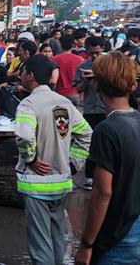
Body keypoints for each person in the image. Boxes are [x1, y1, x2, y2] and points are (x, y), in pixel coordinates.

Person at [15, 55, 92, 265]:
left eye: (23, 71)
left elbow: (23, 136)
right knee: (57, 237)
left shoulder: (28, 104)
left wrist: (30, 158)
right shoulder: (64, 102)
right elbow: (86, 133)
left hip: (37, 184)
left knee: (40, 244)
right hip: (61, 182)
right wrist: (74, 163)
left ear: (30, 75)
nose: (20, 75)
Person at [75, 52, 140, 264]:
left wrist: (86, 244)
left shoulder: (107, 130)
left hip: (117, 236)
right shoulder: (136, 120)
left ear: (96, 85)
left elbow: (103, 192)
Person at [73, 36, 106, 192]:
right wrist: (87, 79)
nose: (94, 57)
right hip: (91, 111)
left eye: (97, 53)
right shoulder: (82, 66)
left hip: (107, 110)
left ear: (103, 50)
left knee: (106, 145)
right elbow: (78, 89)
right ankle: (89, 176)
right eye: (91, 53)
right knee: (91, 144)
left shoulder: (109, 65)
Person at [53, 35, 84, 109]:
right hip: (75, 94)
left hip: (59, 94)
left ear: (60, 44)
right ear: (73, 45)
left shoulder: (54, 60)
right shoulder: (79, 60)